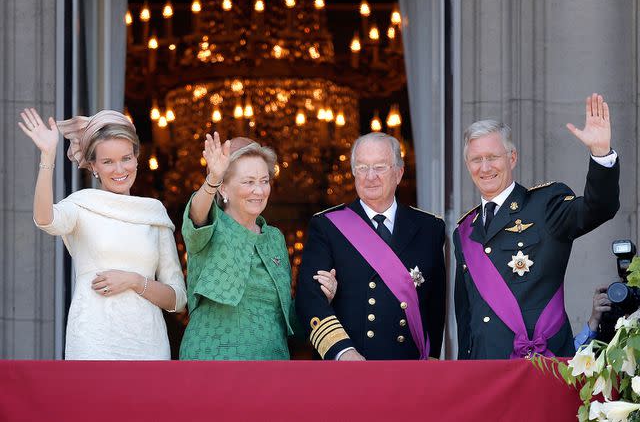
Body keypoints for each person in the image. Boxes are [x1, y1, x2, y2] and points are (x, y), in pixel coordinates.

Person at [454, 93, 620, 360]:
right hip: (483, 372)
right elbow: (466, 317)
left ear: (512, 158)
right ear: (467, 165)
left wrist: (600, 154)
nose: (485, 167)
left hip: (541, 364)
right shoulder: (464, 231)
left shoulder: (544, 205)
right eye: (476, 159)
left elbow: (598, 209)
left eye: (493, 157)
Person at [19, 108, 187, 360]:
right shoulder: (81, 204)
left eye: (126, 158)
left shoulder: (154, 213)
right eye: (107, 161)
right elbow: (45, 219)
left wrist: (133, 280)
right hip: (92, 342)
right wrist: (47, 156)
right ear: (93, 166)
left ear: (137, 158)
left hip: (147, 346)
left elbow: (177, 299)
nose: (119, 169)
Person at [179, 133, 336, 360]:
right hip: (212, 360)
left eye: (264, 181)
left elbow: (287, 319)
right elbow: (195, 215)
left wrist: (321, 297)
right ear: (223, 189)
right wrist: (213, 178)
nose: (259, 190)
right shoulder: (210, 225)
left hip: (271, 363)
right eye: (248, 182)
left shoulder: (274, 238)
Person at [295, 132, 446, 360]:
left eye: (380, 167)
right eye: (362, 167)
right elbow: (310, 298)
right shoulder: (327, 226)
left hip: (409, 367)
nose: (370, 176)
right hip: (351, 366)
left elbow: (436, 305)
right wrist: (342, 352)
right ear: (354, 172)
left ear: (399, 172)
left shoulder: (429, 228)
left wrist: (431, 357)